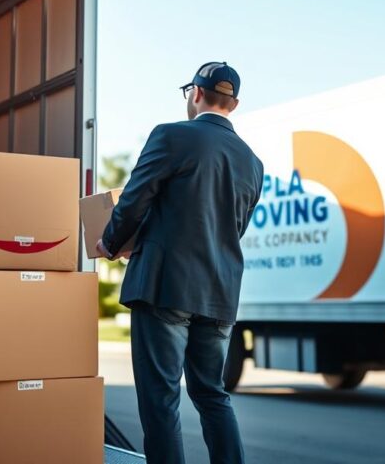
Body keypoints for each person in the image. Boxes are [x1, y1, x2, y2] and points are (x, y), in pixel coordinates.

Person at [97, 62, 264, 464]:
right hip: (220, 292)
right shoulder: (253, 162)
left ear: (195, 94)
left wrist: (110, 242)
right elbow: (230, 228)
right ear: (234, 104)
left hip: (165, 287)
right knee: (212, 394)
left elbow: (136, 199)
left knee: (161, 399)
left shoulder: (171, 135)